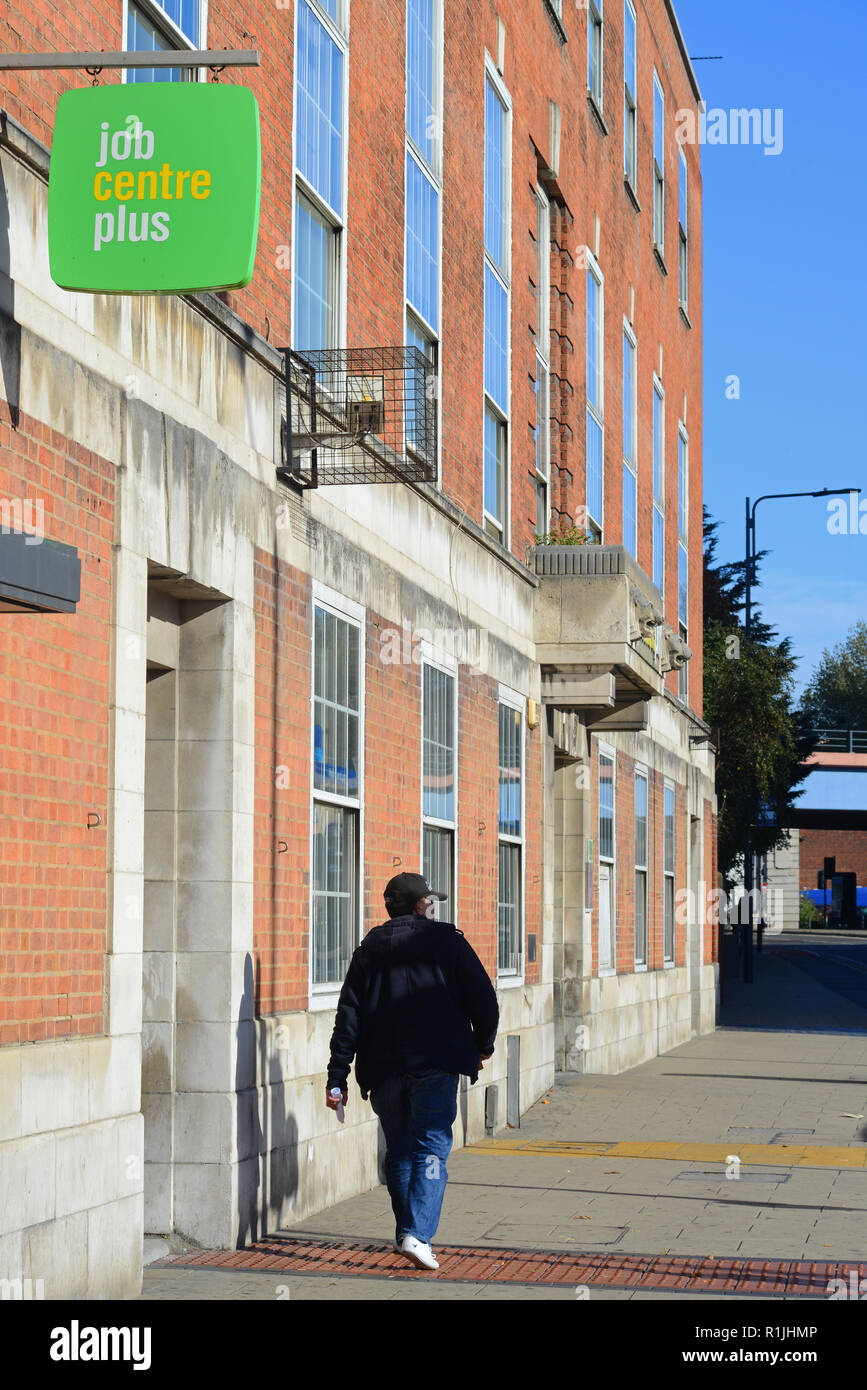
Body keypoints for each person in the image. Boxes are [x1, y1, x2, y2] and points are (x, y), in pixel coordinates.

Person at [326, 872, 499, 1271]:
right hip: (436, 1064)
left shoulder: (369, 948)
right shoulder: (448, 942)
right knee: (432, 1149)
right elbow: (484, 1000)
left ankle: (409, 1233)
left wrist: (337, 1076)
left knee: (400, 1149)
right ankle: (418, 1234)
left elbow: (347, 1015)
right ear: (421, 906)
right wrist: (482, 1046)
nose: (433, 906)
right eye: (429, 900)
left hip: (382, 1066)